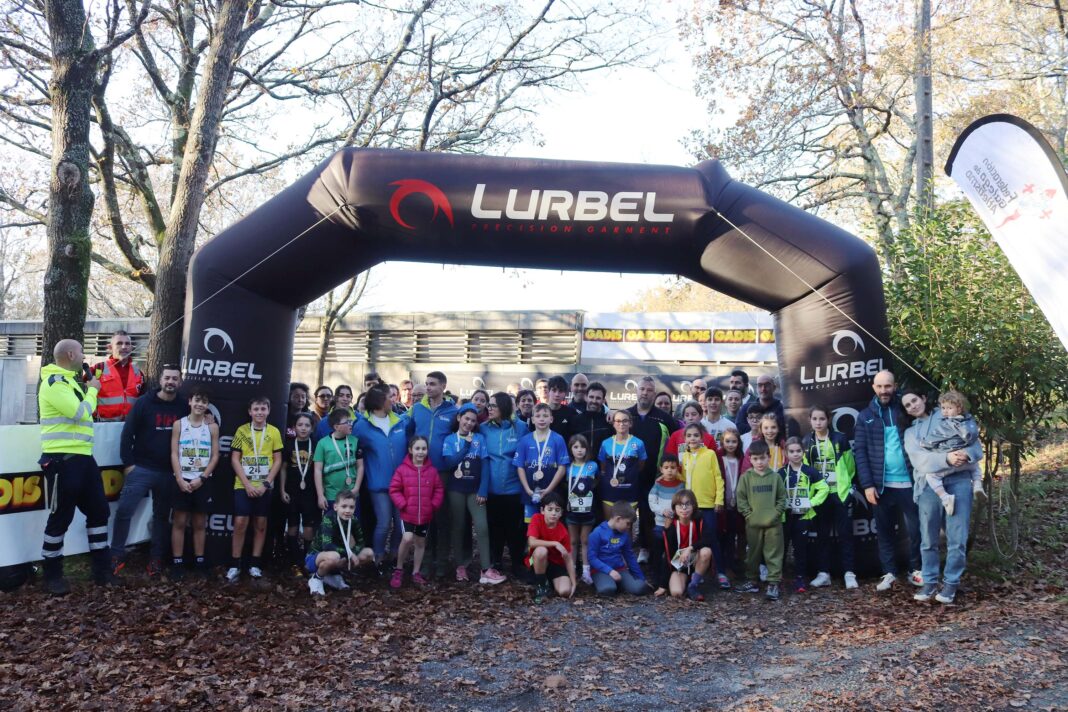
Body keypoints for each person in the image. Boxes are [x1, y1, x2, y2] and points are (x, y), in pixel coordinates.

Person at [37, 339, 114, 595]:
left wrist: (88, 387)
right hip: (62, 461)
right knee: (61, 518)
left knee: (99, 511)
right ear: (70, 354)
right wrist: (93, 390)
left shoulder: (70, 382)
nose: (84, 356)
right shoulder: (53, 383)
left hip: (83, 458)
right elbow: (80, 413)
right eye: (81, 352)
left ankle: (102, 571)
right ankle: (52, 576)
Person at [903, 388, 983, 605]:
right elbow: (919, 461)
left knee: (957, 537)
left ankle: (950, 585)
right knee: (928, 539)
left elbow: (975, 444)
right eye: (907, 405)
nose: (912, 406)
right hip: (929, 485)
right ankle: (929, 582)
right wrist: (947, 458)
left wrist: (967, 454)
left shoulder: (948, 414)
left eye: (914, 400)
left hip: (959, 480)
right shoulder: (910, 433)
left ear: (923, 398)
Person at [112, 363, 189, 577]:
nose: (170, 382)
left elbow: (196, 423)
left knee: (161, 517)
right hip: (142, 468)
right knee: (124, 511)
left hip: (168, 472)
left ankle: (156, 559)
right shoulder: (144, 403)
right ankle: (116, 555)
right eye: (167, 378)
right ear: (160, 380)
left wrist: (209, 419)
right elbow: (127, 434)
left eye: (175, 378)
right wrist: (129, 464)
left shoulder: (184, 406)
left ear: (180, 382)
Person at [855, 370, 923, 592]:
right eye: (880, 386)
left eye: (888, 386)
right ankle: (889, 573)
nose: (884, 390)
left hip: (910, 482)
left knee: (916, 530)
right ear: (873, 388)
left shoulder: (905, 409)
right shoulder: (865, 416)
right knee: (884, 532)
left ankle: (916, 570)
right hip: (881, 485)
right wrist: (867, 485)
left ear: (894, 386)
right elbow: (860, 452)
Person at [441, 404, 503, 584]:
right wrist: (465, 447)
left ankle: (486, 568)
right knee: (458, 527)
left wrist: (483, 490)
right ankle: (460, 566)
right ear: (459, 418)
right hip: (456, 490)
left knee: (482, 527)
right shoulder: (449, 439)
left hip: (475, 490)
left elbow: (485, 465)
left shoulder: (479, 438)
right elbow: (449, 463)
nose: (469, 423)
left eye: (473, 421)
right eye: (466, 419)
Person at [227, 397, 284, 583]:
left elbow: (278, 460)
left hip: (264, 487)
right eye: (256, 409)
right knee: (240, 522)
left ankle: (255, 563)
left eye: (263, 409)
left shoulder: (274, 431)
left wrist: (265, 484)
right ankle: (235, 564)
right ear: (250, 412)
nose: (259, 412)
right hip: (243, 485)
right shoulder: (242, 430)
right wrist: (247, 484)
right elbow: (235, 459)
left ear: (268, 411)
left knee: (260, 524)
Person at [803, 405, 859, 590]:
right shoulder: (807, 441)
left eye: (822, 419)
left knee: (845, 534)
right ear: (810, 421)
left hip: (839, 493)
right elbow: (806, 470)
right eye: (815, 419)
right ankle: (823, 573)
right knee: (822, 535)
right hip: (820, 495)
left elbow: (850, 467)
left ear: (828, 420)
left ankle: (849, 573)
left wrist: (848, 490)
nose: (818, 422)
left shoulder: (840, 439)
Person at [408, 371, 458, 578]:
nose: (428, 387)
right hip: (421, 471)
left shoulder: (453, 411)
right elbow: (409, 434)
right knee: (424, 518)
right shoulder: (417, 409)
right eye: (427, 384)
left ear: (443, 386)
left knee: (442, 519)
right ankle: (426, 562)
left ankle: (442, 563)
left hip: (443, 472)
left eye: (433, 384)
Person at [353, 386, 409, 570]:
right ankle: (377, 559)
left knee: (400, 524)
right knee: (384, 523)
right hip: (379, 484)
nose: (392, 400)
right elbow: (353, 450)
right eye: (389, 397)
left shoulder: (400, 421)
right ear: (379, 401)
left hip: (401, 483)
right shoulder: (362, 425)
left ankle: (395, 556)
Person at [169, 385, 219, 579]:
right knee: (179, 522)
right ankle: (177, 563)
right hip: (182, 480)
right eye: (197, 400)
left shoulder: (212, 427)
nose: (200, 404)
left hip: (202, 481)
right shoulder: (179, 424)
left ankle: (199, 562)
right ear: (190, 401)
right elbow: (174, 453)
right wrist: (179, 478)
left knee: (199, 523)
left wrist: (202, 478)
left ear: (207, 405)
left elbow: (215, 456)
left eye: (204, 401)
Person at [626, 376, 673, 565]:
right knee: (626, 516)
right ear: (636, 391)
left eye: (649, 390)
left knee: (648, 515)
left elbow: (675, 441)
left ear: (654, 393)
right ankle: (624, 554)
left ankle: (648, 550)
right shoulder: (626, 415)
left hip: (653, 477)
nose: (645, 393)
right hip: (628, 477)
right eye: (642, 389)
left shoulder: (664, 418)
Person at [678, 423, 731, 589]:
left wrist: (719, 500)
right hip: (689, 505)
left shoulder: (710, 454)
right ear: (685, 439)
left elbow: (718, 478)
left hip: (707, 504)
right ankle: (696, 572)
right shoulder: (685, 456)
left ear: (702, 437)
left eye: (696, 435)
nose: (692, 438)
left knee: (712, 538)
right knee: (692, 538)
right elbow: (682, 478)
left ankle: (720, 572)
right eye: (689, 436)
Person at [480, 392, 525, 580]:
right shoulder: (483, 428)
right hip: (492, 489)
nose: (489, 409)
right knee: (495, 529)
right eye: (488, 405)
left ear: (504, 407)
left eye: (493, 406)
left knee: (515, 530)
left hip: (514, 489)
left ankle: (517, 564)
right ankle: (496, 562)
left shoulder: (520, 427)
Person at [735, 441, 787, 600]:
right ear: (750, 459)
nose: (759, 462)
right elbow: (741, 499)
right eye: (756, 459)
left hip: (773, 524)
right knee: (753, 553)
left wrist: (775, 514)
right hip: (753, 524)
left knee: (773, 553)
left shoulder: (776, 477)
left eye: (763, 458)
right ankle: (752, 580)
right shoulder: (746, 478)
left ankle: (773, 583)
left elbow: (782, 499)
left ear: (769, 458)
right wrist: (749, 515)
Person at [389, 436, 444, 588]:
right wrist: (403, 504)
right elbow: (394, 489)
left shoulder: (432, 471)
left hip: (425, 515)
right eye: (417, 448)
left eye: (423, 449)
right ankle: (399, 569)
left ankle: (416, 572)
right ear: (410, 450)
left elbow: (438, 489)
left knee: (420, 542)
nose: (420, 452)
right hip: (408, 514)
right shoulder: (402, 470)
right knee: (407, 538)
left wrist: (433, 505)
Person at [919, 390, 984, 514]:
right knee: (976, 468)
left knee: (931, 476)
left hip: (950, 462)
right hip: (966, 461)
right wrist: (967, 453)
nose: (945, 411)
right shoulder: (969, 422)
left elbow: (934, 438)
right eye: (943, 408)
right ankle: (977, 486)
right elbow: (974, 440)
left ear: (959, 409)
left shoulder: (948, 424)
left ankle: (945, 498)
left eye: (949, 408)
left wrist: (924, 443)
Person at [779, 437, 829, 593]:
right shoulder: (781, 472)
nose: (795, 454)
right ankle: (778, 578)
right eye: (791, 451)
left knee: (800, 548)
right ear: (786, 453)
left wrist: (811, 502)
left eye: (798, 451)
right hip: (785, 517)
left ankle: (800, 577)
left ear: (803, 452)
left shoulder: (810, 471)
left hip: (803, 517)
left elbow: (824, 488)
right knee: (781, 548)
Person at [305, 489, 375, 596]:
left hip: (340, 555)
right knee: (334, 556)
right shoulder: (329, 518)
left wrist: (352, 553)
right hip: (316, 557)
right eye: (344, 506)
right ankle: (316, 578)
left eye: (351, 507)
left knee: (368, 553)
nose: (347, 510)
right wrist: (349, 554)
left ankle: (332, 576)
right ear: (335, 507)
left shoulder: (354, 520)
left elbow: (361, 542)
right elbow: (327, 546)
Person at [513, 403, 569, 522]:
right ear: (533, 420)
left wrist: (549, 489)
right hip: (530, 492)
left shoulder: (558, 439)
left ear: (551, 419)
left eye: (545, 415)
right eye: (538, 416)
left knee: (550, 524)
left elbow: (562, 468)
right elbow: (520, 467)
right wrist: (527, 489)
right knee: (532, 525)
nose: (542, 419)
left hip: (552, 492)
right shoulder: (525, 440)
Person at [657, 489, 714, 600]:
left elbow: (708, 539)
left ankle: (693, 586)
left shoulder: (699, 520)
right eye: (680, 505)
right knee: (676, 593)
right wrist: (662, 585)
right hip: (680, 563)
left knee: (706, 551)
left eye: (687, 504)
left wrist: (690, 548)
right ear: (674, 508)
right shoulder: (671, 526)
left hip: (695, 558)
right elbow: (667, 555)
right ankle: (688, 580)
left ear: (694, 506)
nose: (684, 509)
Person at [588, 502, 649, 596]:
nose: (629, 527)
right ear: (618, 519)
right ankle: (608, 582)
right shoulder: (597, 533)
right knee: (608, 589)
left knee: (640, 588)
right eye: (628, 523)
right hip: (600, 570)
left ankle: (619, 583)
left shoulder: (624, 535)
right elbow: (592, 558)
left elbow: (629, 557)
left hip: (619, 569)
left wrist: (641, 578)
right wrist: (610, 571)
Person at [280, 413, 317, 565]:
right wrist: (282, 490)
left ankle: (308, 557)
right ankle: (294, 558)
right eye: (300, 425)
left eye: (307, 425)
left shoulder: (316, 444)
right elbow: (283, 468)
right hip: (292, 491)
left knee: (308, 525)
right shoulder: (288, 445)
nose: (303, 428)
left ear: (312, 428)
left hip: (310, 492)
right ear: (294, 427)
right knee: (293, 524)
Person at [526, 492, 577, 603]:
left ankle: (548, 582)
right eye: (550, 509)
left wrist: (574, 583)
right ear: (542, 510)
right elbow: (531, 542)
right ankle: (541, 587)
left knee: (565, 591)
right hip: (535, 560)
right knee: (541, 550)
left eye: (557, 510)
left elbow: (568, 559)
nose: (553, 513)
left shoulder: (563, 531)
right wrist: (555, 543)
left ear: (561, 513)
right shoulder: (536, 519)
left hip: (555, 565)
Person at [597, 410, 647, 522]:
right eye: (618, 421)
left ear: (630, 423)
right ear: (613, 423)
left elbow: (641, 465)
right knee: (609, 524)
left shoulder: (638, 443)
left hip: (630, 490)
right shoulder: (606, 443)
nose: (621, 424)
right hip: (610, 490)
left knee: (627, 526)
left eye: (625, 421)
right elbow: (603, 466)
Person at [564, 434, 598, 586]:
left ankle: (586, 571)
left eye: (583, 447)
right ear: (571, 449)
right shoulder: (567, 467)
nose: (579, 450)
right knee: (573, 541)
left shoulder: (593, 466)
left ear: (587, 449)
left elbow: (596, 482)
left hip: (587, 510)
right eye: (576, 447)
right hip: (572, 509)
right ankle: (572, 570)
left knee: (585, 540)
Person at [314, 408, 364, 512]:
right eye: (347, 422)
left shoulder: (355, 441)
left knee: (353, 521)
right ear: (336, 427)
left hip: (352, 493)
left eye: (351, 421)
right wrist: (320, 495)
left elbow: (360, 466)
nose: (351, 425)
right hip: (332, 495)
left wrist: (356, 488)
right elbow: (317, 470)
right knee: (333, 522)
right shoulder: (322, 443)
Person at [647, 455, 684, 594]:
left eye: (673, 468)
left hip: (675, 524)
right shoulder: (657, 485)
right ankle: (655, 578)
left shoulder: (680, 485)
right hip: (660, 524)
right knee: (657, 549)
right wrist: (662, 511)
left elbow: (682, 502)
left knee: (673, 549)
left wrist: (674, 513)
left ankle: (673, 576)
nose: (669, 470)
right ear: (661, 469)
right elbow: (652, 501)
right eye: (666, 467)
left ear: (677, 469)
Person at [91, 330, 144, 422]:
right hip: (104, 425)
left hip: (130, 425)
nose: (124, 347)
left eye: (127, 344)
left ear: (131, 348)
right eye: (119, 343)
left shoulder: (138, 373)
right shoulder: (99, 368)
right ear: (110, 347)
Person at [718, 427, 745, 576]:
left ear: (738, 443)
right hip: (722, 503)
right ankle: (721, 566)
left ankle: (732, 564)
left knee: (733, 535)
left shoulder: (741, 459)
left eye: (734, 441)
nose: (730, 444)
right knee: (722, 534)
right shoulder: (718, 458)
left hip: (736, 504)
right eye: (727, 441)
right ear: (722, 442)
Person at [571, 382, 613, 458]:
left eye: (598, 398)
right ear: (586, 397)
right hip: (580, 464)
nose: (594, 401)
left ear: (603, 400)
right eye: (591, 397)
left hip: (603, 465)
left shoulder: (609, 422)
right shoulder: (575, 421)